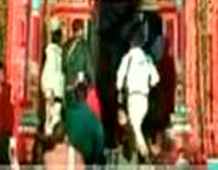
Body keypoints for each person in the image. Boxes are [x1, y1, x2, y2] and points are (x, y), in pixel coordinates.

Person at [116, 28, 159, 160]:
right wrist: (148, 84)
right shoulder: (147, 59)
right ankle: (141, 153)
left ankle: (146, 154)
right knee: (136, 126)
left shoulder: (127, 58)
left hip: (133, 98)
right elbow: (156, 78)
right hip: (144, 98)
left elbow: (119, 78)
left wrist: (119, 89)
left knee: (135, 126)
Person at [65, 78, 106, 166]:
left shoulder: (67, 114)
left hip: (70, 159)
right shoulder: (92, 117)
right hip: (87, 160)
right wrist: (96, 159)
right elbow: (100, 138)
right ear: (87, 95)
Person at [42, 21, 66, 136]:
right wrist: (49, 90)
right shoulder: (53, 53)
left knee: (54, 117)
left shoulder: (57, 53)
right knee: (52, 118)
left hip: (56, 91)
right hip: (54, 91)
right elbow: (50, 72)